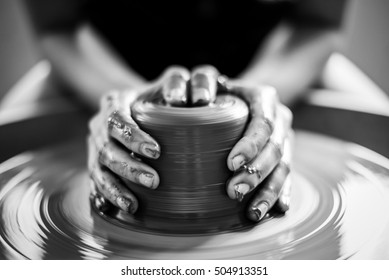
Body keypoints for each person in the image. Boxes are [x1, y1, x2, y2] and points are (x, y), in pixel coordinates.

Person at [21, 0, 348, 221]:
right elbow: (57, 27)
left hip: (273, 60)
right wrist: (121, 100)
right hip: (102, 63)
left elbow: (317, 22)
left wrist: (264, 102)